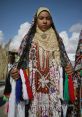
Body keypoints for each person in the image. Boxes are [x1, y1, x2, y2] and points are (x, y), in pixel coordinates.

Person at [9, 7, 75, 117]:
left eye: (48, 18)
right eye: (41, 18)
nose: (45, 21)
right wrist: (14, 71)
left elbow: (65, 60)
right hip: (33, 88)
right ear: (36, 20)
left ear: (51, 20)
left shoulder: (58, 39)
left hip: (54, 88)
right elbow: (19, 60)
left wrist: (69, 68)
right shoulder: (28, 39)